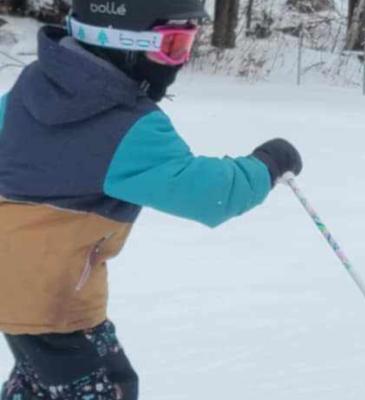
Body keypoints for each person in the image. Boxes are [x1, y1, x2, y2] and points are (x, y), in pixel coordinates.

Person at [0, 1, 302, 398]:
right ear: (121, 42)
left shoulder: (29, 90)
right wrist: (267, 164)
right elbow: (209, 195)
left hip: (14, 291)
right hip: (56, 305)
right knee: (106, 386)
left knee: (42, 380)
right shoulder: (123, 125)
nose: (180, 63)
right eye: (174, 46)